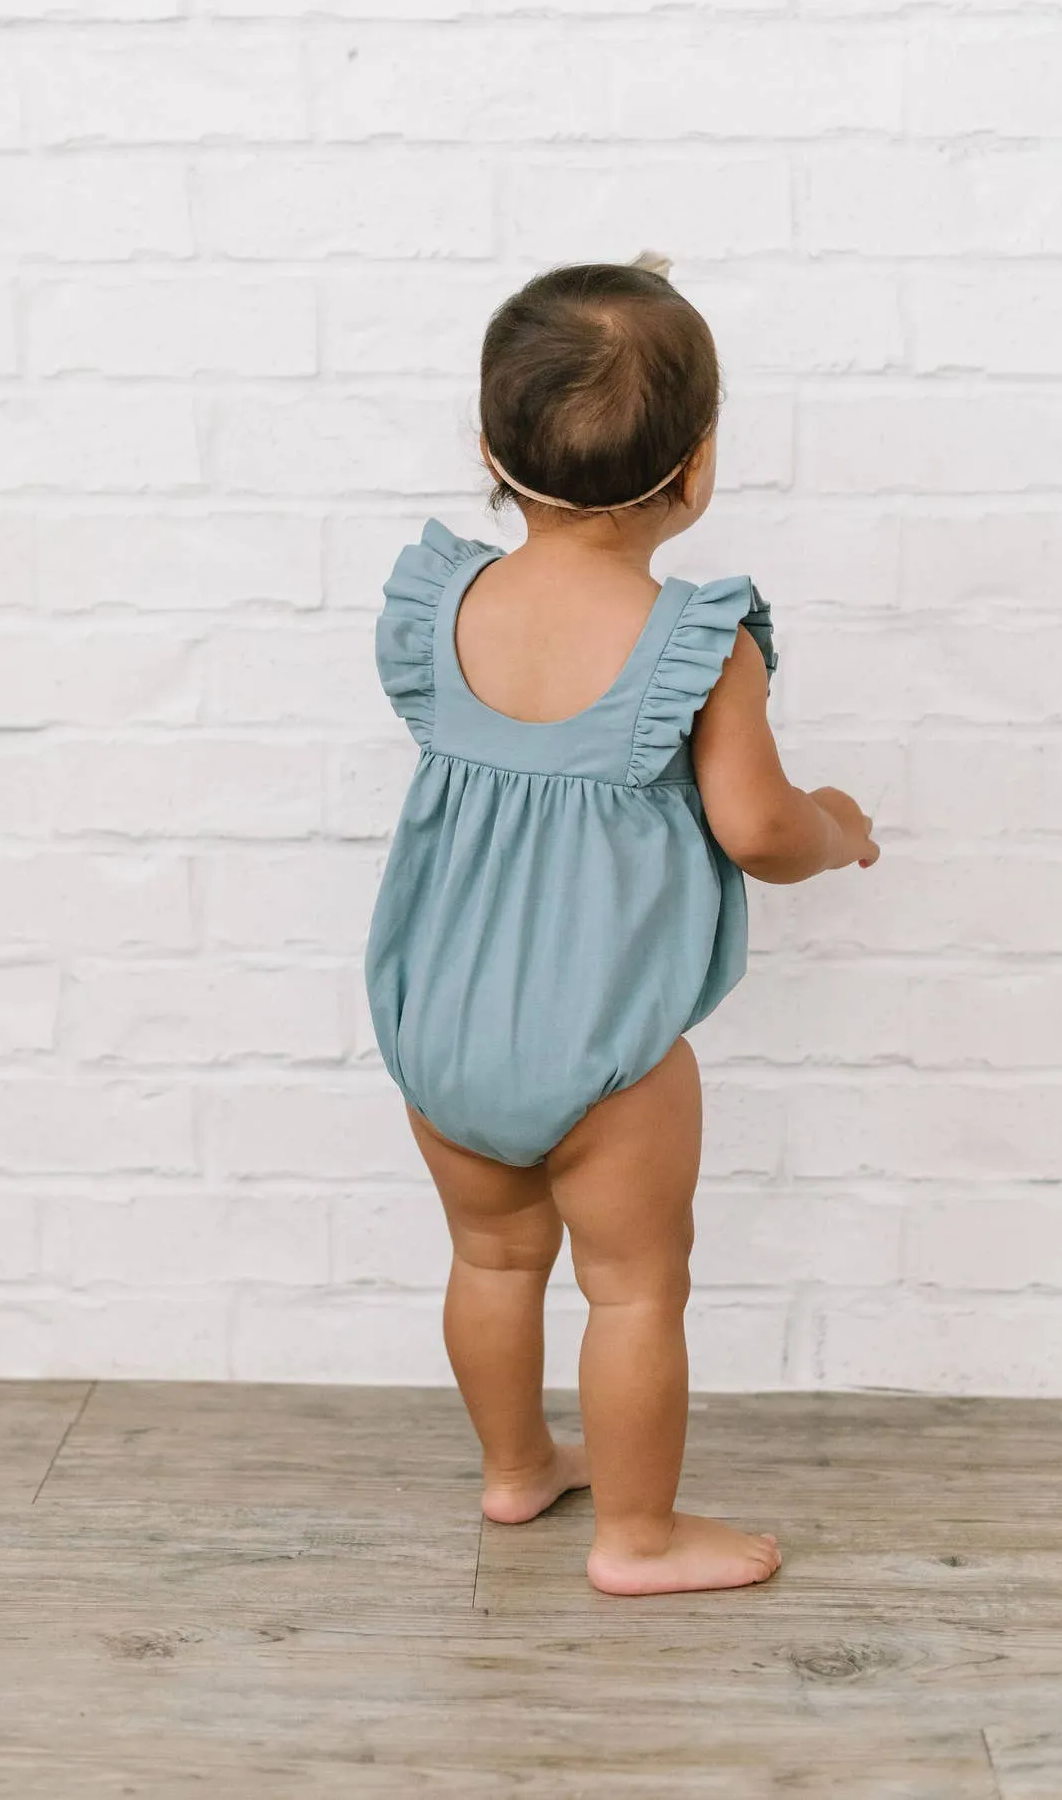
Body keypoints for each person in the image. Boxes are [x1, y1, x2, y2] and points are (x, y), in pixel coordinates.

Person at [363, 255, 880, 1597]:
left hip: (442, 1023)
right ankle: (640, 1537)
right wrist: (834, 821)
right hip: (606, 1044)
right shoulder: (696, 643)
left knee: (492, 1252)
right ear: (697, 467)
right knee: (637, 1284)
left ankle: (519, 1464)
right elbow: (760, 829)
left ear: (488, 450)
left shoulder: (441, 606)